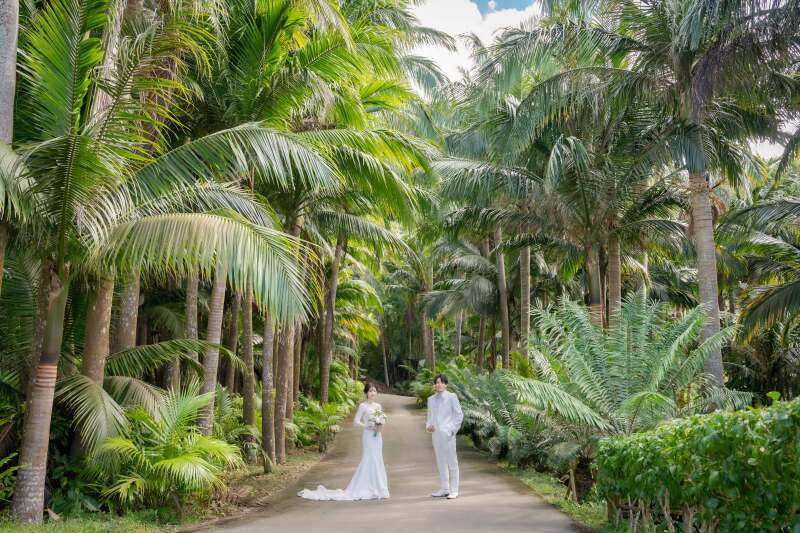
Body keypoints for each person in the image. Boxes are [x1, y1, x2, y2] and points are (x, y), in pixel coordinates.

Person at [297, 383, 390, 501]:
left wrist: (379, 425)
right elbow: (356, 422)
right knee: (369, 458)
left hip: (377, 437)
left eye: (374, 391)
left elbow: (381, 420)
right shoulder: (363, 406)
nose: (373, 393)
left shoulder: (378, 406)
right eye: (370, 391)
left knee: (377, 459)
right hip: (368, 436)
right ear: (366, 393)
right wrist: (367, 426)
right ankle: (364, 487)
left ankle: (379, 488)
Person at [426, 373, 463, 499]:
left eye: (441, 382)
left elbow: (459, 415)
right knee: (440, 462)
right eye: (437, 382)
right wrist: (428, 426)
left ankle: (454, 490)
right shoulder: (431, 399)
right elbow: (429, 416)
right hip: (436, 435)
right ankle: (444, 488)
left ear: (445, 384)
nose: (439, 384)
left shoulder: (452, 397)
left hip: (448, 435)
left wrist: (452, 430)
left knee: (452, 462)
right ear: (434, 385)